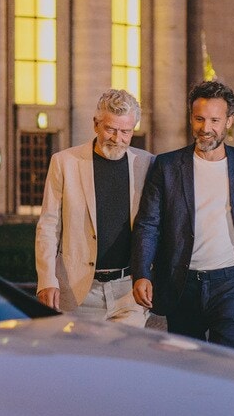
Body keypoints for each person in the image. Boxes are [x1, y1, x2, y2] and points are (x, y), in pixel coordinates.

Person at [131, 79, 234, 349]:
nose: (206, 129)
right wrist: (142, 273)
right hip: (183, 283)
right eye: (199, 119)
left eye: (215, 120)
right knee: (187, 368)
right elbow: (149, 224)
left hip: (232, 284)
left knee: (227, 366)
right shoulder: (167, 166)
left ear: (229, 121)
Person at [35, 88, 154, 326]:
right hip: (78, 293)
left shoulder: (147, 163)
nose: (117, 138)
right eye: (110, 129)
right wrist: (47, 279)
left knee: (125, 363)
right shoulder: (64, 162)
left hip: (128, 293)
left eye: (125, 132)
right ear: (96, 124)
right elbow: (49, 225)